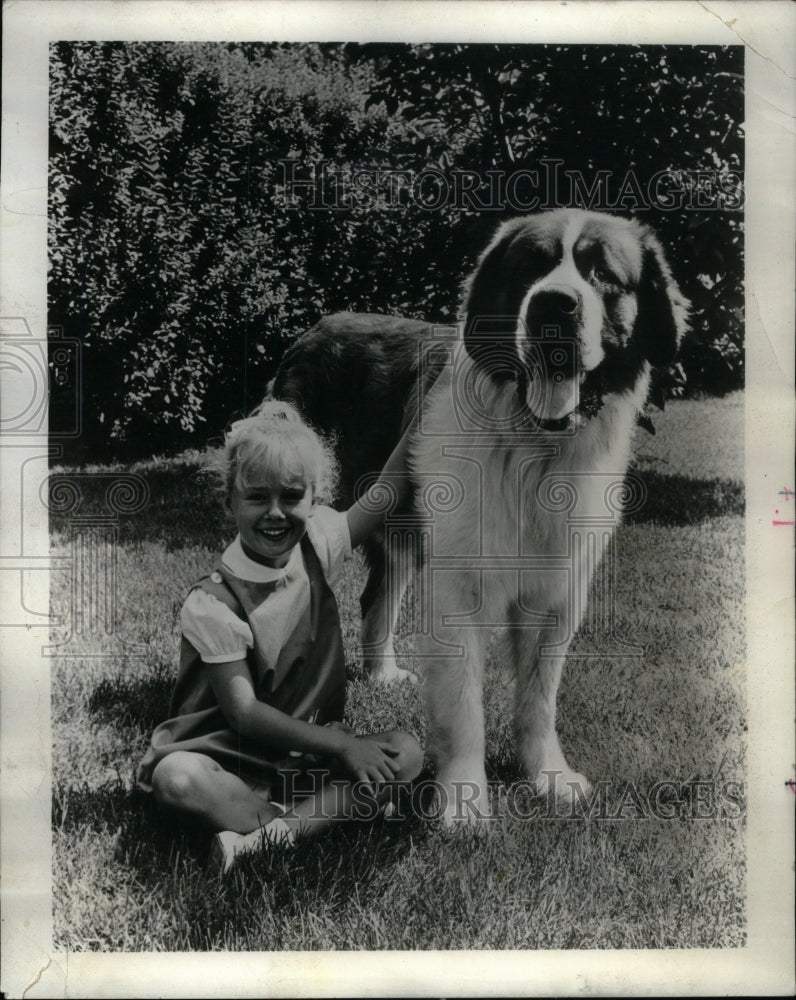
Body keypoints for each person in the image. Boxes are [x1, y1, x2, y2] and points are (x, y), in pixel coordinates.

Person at [137, 400, 422, 874]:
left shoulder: (318, 544)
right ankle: (311, 823)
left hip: (300, 760)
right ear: (230, 500)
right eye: (256, 497)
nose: (275, 513)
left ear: (314, 500)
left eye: (291, 497)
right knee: (178, 779)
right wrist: (343, 747)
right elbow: (244, 714)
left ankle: (261, 839)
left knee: (406, 751)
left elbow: (387, 493)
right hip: (226, 760)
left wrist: (433, 407)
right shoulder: (214, 603)